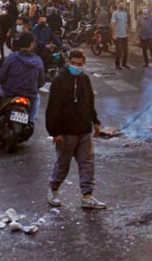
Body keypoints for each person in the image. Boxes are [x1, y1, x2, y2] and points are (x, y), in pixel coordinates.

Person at [45, 49, 105, 210]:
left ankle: (87, 196)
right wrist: (55, 132)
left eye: (79, 64)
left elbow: (90, 102)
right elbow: (52, 109)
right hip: (66, 132)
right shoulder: (59, 81)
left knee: (87, 164)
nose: (76, 67)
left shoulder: (85, 79)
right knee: (62, 164)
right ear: (68, 62)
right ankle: (53, 190)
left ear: (84, 64)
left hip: (84, 130)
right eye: (73, 63)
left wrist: (95, 122)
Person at [0, 32, 45, 125]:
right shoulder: (38, 61)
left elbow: (1, 77)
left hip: (10, 92)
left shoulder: (11, 57)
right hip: (29, 94)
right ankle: (31, 121)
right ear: (32, 44)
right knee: (37, 97)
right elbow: (41, 82)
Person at [111, 0, 130, 70]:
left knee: (126, 50)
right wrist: (114, 34)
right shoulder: (115, 13)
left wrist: (127, 32)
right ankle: (117, 64)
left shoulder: (125, 14)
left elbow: (126, 23)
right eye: (121, 4)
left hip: (124, 35)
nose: (122, 6)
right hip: (118, 35)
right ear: (118, 5)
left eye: (123, 4)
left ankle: (124, 63)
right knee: (118, 50)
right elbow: (112, 24)